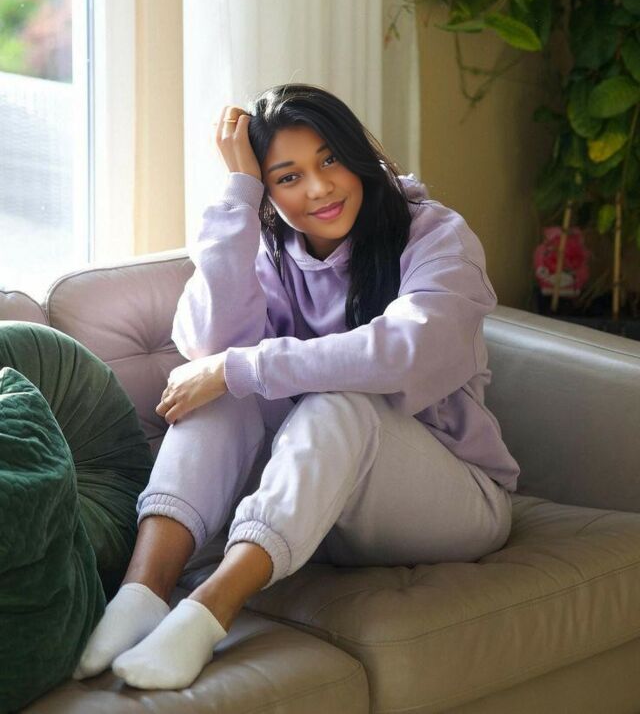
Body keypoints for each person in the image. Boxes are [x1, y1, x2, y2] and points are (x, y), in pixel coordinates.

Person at [73, 82, 521, 690]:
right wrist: (238, 193)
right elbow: (209, 345)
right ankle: (142, 593)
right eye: (287, 177)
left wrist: (242, 367)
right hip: (313, 509)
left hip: (454, 499)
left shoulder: (436, 235)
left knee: (330, 398)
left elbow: (407, 352)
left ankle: (207, 612)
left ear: (357, 154)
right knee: (222, 387)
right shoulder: (271, 249)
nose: (318, 188)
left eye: (330, 160)